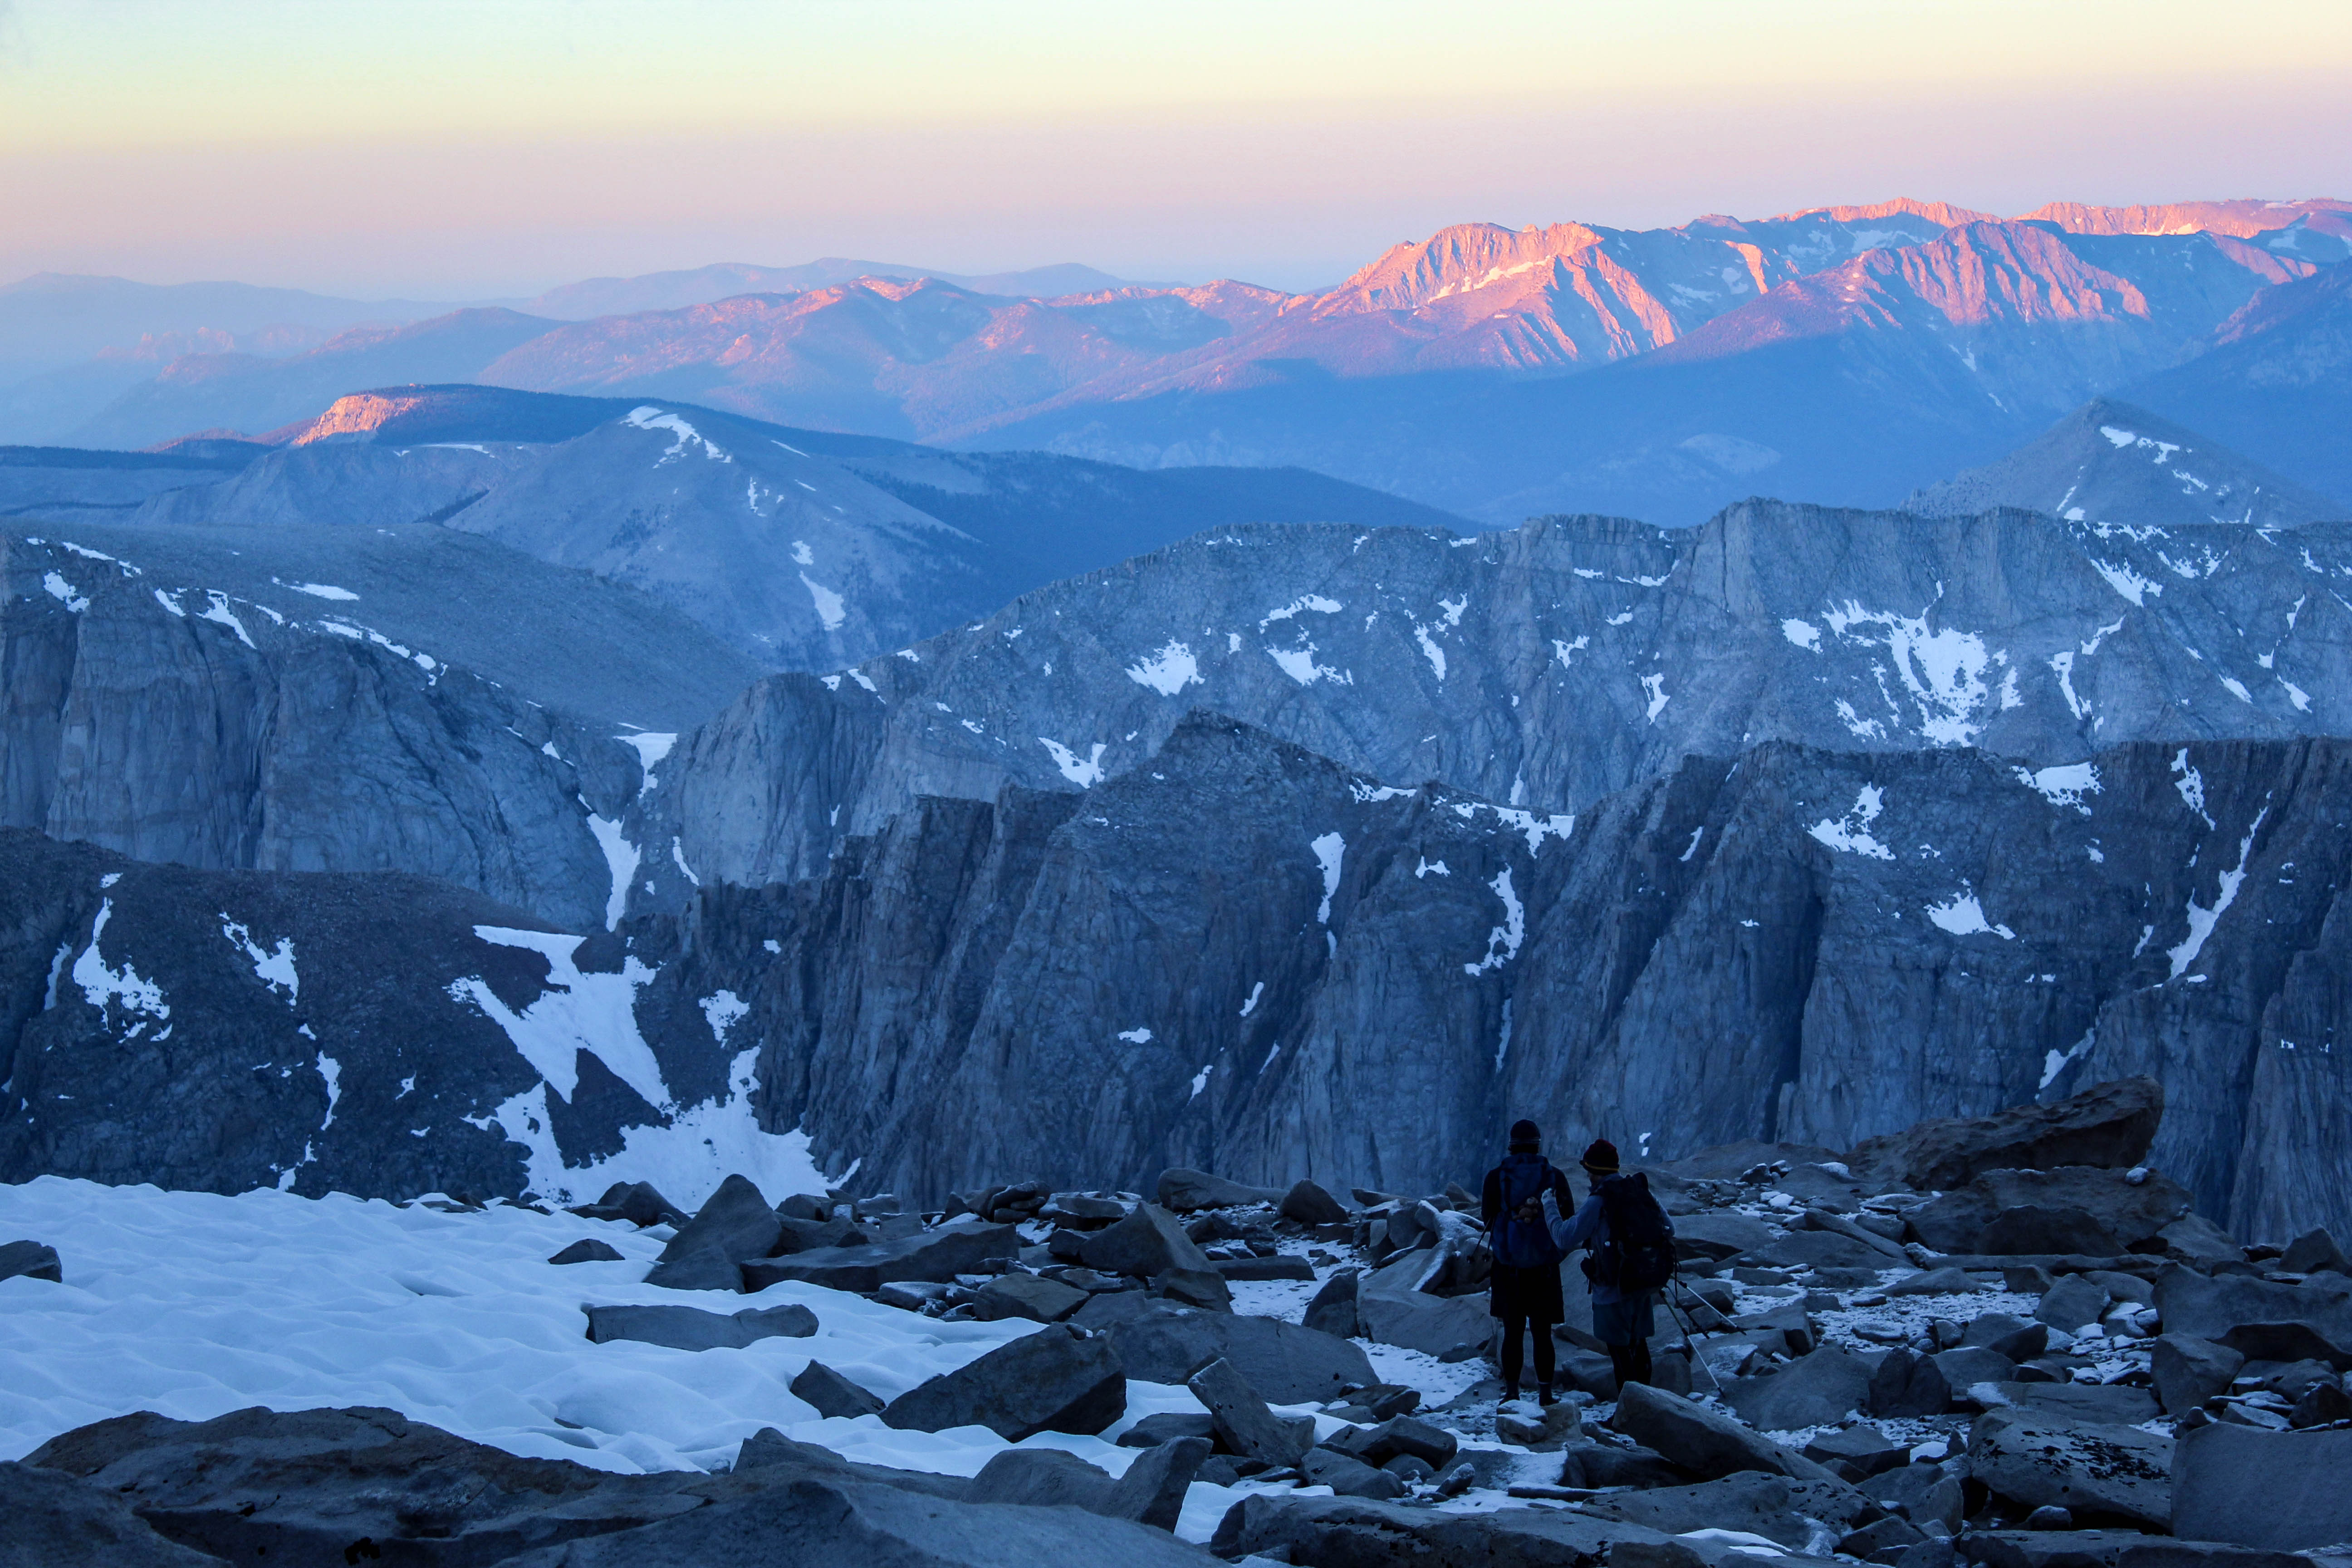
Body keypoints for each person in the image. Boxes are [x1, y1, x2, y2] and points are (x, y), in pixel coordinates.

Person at [1544, 1137, 1660, 1391]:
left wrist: (1549, 1206)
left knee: (1619, 1352)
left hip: (1612, 1287)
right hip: (1643, 1281)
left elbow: (1565, 1237)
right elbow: (1668, 1229)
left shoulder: (1599, 1200)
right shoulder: (1638, 1190)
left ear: (1595, 1172)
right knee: (1639, 1344)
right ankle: (1651, 1404)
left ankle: (1630, 1411)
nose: (1587, 1176)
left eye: (1589, 1170)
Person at [1480, 1118, 1575, 1405]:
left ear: (1511, 1146)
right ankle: (1546, 1394)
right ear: (1537, 1145)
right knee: (1542, 1333)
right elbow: (1568, 1217)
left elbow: (1487, 1218)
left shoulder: (1495, 1177)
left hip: (1509, 1268)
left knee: (1512, 1331)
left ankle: (1512, 1392)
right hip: (1545, 1268)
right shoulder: (1555, 1177)